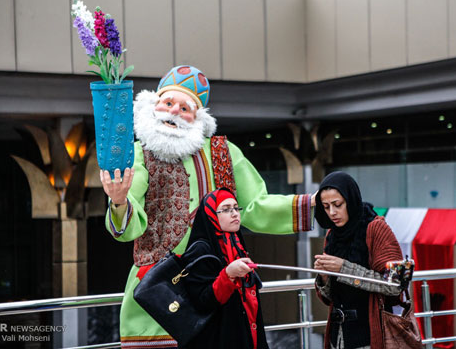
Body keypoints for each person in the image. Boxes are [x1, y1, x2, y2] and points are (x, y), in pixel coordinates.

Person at [99, 65, 314, 348]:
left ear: (197, 117)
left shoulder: (223, 153)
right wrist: (118, 200)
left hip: (216, 290)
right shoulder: (139, 154)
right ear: (154, 106)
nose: (174, 111)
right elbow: (128, 225)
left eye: (185, 107)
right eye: (167, 103)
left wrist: (316, 205)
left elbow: (255, 207)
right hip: (157, 294)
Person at [313, 171, 403, 349]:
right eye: (325, 206)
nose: (332, 212)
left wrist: (344, 269)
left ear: (351, 200)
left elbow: (397, 283)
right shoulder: (332, 235)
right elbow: (331, 297)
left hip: (371, 336)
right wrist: (324, 278)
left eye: (337, 204)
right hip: (337, 336)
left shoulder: (376, 228)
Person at [181, 188, 267, 349]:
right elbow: (202, 301)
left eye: (236, 208)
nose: (235, 213)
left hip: (247, 331)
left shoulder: (236, 242)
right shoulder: (200, 250)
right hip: (218, 338)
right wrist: (228, 274)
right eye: (226, 210)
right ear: (212, 215)